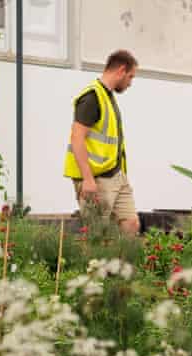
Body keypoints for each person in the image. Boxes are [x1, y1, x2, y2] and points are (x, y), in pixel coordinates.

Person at [63, 50, 140, 235]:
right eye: (130, 77)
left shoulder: (108, 96)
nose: (130, 83)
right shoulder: (91, 97)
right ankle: (97, 264)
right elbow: (77, 138)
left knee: (131, 224)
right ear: (121, 70)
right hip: (96, 179)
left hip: (116, 175)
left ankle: (122, 264)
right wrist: (88, 180)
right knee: (97, 234)